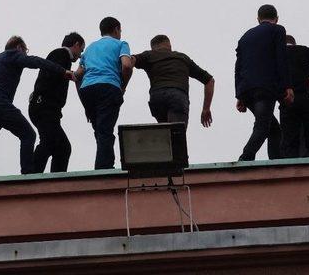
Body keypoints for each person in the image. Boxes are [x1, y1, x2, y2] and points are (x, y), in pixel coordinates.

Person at [0, 36, 74, 178]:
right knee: (28, 134)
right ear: (19, 47)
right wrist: (63, 71)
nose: (25, 54)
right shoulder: (13, 55)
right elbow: (37, 61)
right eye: (25, 50)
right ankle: (27, 175)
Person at [235, 4, 293, 161]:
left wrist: (239, 95)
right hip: (265, 89)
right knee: (262, 126)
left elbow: (238, 67)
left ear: (258, 19)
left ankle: (276, 161)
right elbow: (281, 58)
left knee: (274, 129)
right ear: (277, 19)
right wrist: (287, 86)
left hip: (246, 90)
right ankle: (246, 157)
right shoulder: (278, 30)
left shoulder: (245, 37)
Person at [74, 17, 133, 170]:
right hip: (109, 87)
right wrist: (123, 87)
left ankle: (102, 163)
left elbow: (77, 75)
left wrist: (84, 101)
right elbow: (126, 65)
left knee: (100, 131)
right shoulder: (121, 44)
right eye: (120, 30)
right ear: (116, 29)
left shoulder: (90, 48)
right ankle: (104, 168)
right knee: (105, 130)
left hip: (87, 90)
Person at [28, 32, 85, 173]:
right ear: (76, 45)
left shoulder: (59, 56)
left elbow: (58, 73)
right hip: (46, 107)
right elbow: (55, 73)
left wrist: (74, 74)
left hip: (45, 107)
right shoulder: (62, 54)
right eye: (81, 50)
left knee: (59, 146)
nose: (80, 55)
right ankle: (32, 176)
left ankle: (47, 178)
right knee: (55, 144)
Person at [132, 35, 214, 128]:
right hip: (178, 96)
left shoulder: (149, 55)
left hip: (157, 97)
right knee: (176, 135)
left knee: (165, 135)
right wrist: (206, 109)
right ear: (170, 45)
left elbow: (129, 61)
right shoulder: (182, 57)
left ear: (153, 48)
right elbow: (210, 81)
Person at [279, 35, 309, 158]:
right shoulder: (307, 52)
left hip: (288, 100)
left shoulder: (278, 56)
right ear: (294, 43)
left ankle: (290, 165)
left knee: (289, 138)